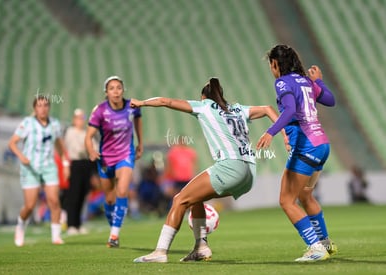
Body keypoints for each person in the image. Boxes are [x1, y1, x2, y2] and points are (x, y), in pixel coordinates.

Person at [131, 77, 284, 263]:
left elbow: (166, 101)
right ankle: (201, 248)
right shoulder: (237, 109)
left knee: (179, 200)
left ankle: (160, 252)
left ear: (204, 97)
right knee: (196, 198)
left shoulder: (204, 106)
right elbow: (268, 108)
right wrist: (284, 134)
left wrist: (141, 103)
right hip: (249, 173)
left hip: (229, 166)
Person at [256, 44, 338, 262]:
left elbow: (290, 109)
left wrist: (271, 132)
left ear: (276, 64)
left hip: (306, 147)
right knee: (305, 195)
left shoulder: (282, 82)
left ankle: (316, 247)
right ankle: (326, 244)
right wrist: (318, 80)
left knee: (286, 201)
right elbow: (330, 100)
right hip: (322, 145)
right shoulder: (307, 82)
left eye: (271, 65)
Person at [85, 75, 143, 248]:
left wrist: (140, 143)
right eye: (112, 88)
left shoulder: (132, 106)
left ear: (123, 90)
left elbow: (138, 121)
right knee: (109, 199)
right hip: (105, 158)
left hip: (126, 154)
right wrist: (91, 150)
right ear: (106, 92)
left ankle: (114, 235)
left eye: (118, 87)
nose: (116, 91)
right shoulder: (100, 110)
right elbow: (88, 136)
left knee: (123, 190)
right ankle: (113, 228)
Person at [8, 95, 69, 246]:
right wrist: (21, 157)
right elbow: (12, 143)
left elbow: (60, 147)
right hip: (30, 168)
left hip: (48, 167)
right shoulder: (27, 123)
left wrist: (65, 164)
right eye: (39, 106)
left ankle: (56, 236)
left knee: (54, 201)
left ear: (49, 107)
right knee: (30, 205)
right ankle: (21, 225)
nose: (42, 109)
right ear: (34, 108)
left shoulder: (54, 124)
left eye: (45, 105)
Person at [63, 108, 97, 235]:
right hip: (75, 163)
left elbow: (94, 147)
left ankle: (78, 223)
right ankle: (71, 224)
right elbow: (77, 149)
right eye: (78, 118)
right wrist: (87, 148)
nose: (80, 121)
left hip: (86, 164)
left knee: (83, 194)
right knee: (74, 195)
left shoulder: (86, 132)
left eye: (82, 118)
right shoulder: (71, 132)